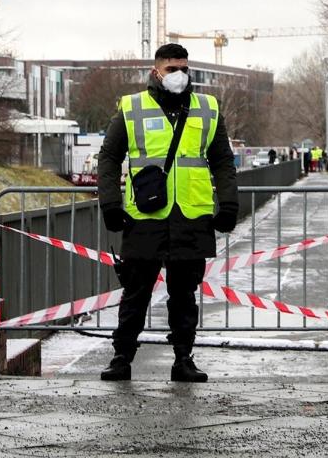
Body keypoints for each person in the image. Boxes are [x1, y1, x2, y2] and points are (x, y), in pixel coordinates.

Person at [97, 43, 238, 383]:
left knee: (184, 295)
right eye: (172, 68)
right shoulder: (132, 107)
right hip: (145, 216)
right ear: (155, 71)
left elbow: (222, 160)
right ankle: (122, 357)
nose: (179, 75)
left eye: (183, 68)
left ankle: (183, 359)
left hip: (191, 214)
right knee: (135, 292)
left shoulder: (208, 108)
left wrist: (230, 203)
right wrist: (110, 204)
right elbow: (109, 157)